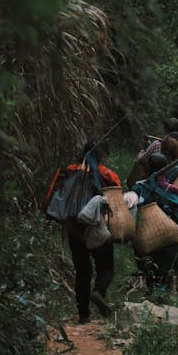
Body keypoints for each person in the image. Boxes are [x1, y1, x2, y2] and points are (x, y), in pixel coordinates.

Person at [66, 138, 121, 323]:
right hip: (98, 229)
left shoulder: (69, 171)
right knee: (106, 267)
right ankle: (98, 292)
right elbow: (116, 199)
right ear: (101, 155)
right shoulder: (107, 175)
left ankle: (83, 314)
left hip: (74, 229)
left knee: (82, 270)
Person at [132, 153, 178, 296]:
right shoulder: (172, 189)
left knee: (156, 260)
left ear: (148, 169)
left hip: (154, 231)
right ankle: (177, 288)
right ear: (166, 168)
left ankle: (157, 289)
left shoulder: (140, 188)